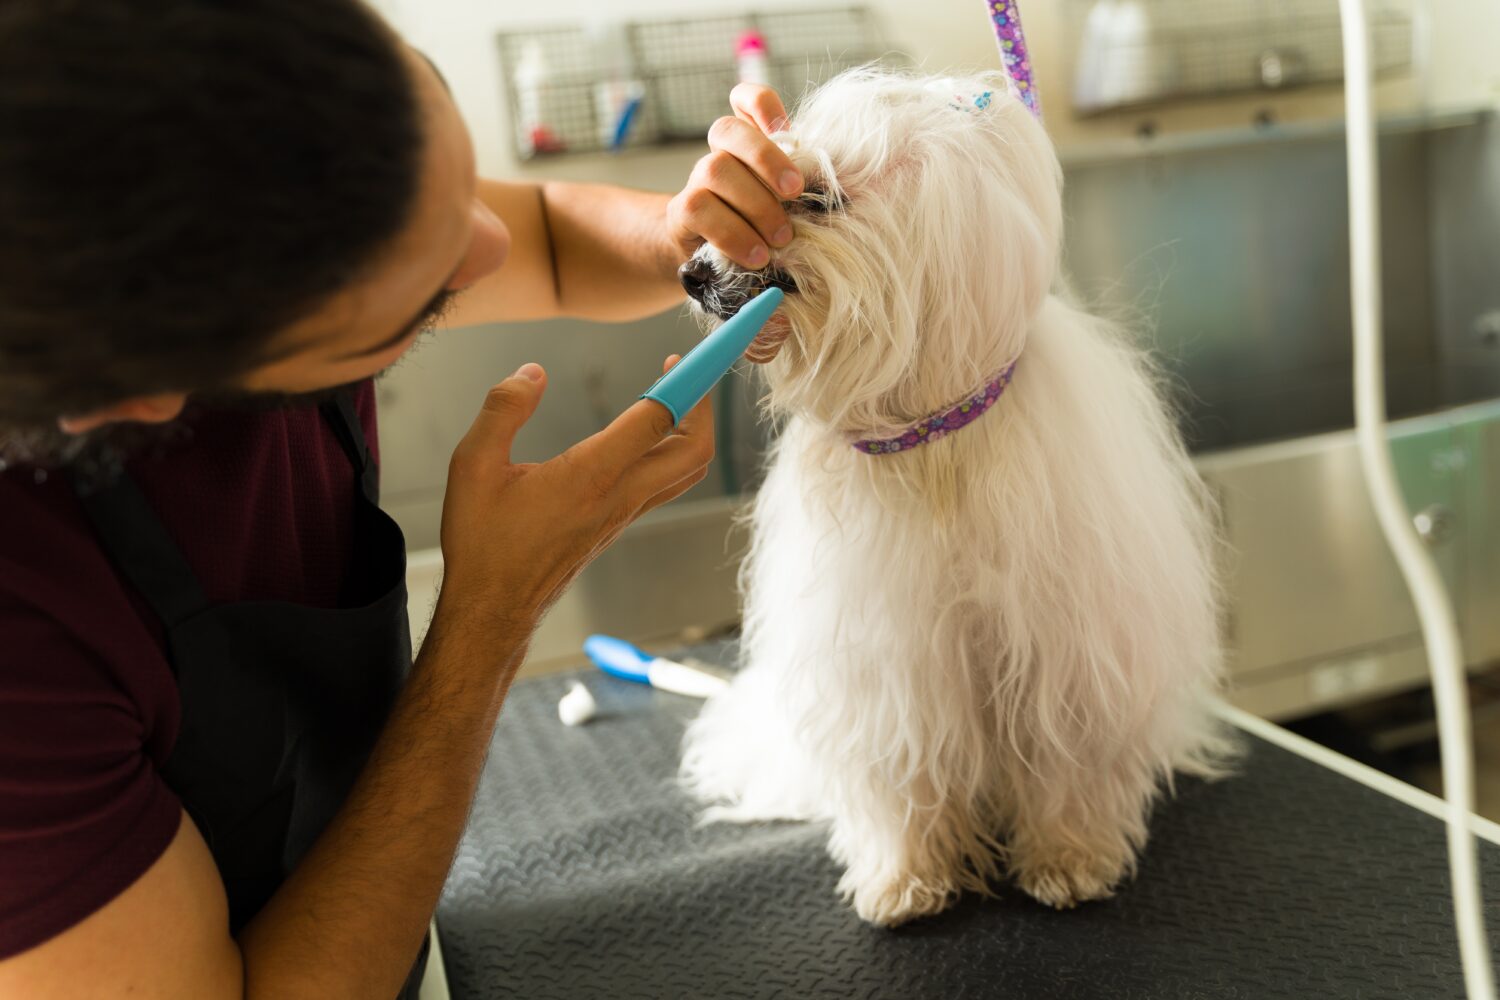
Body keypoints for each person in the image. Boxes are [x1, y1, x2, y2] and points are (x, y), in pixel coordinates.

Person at [0, 2, 805, 996]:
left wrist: (683, 236)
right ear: (139, 393)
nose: (488, 252)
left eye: (460, 181)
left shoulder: (280, 191)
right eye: (424, 301)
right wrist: (490, 618)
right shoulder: (25, 630)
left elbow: (546, 236)